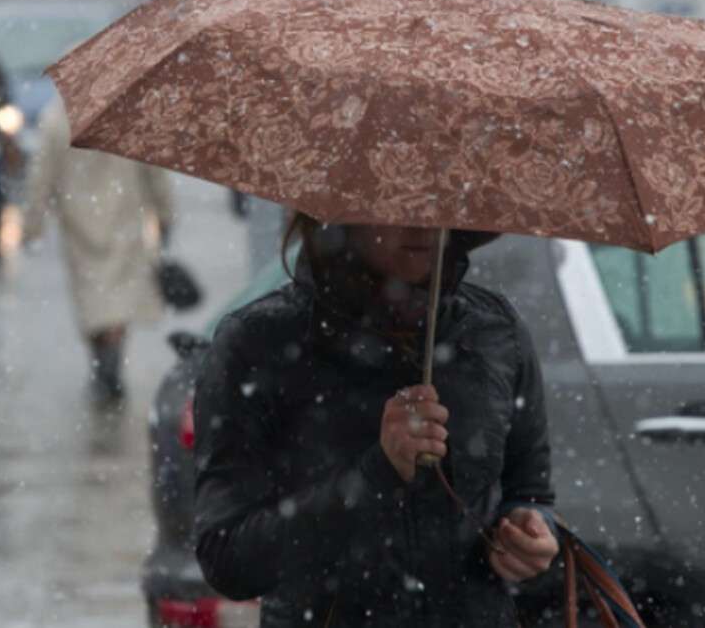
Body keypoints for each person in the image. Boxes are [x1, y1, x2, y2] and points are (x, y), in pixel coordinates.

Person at [194, 216, 559, 626]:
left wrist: (531, 532)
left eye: (436, 205)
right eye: (399, 209)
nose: (424, 226)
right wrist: (376, 474)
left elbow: (530, 492)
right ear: (340, 214)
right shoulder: (258, 343)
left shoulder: (495, 333)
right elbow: (227, 560)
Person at [24, 95, 173, 410]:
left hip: (79, 223)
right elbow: (153, 169)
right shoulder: (124, 115)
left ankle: (104, 365)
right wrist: (164, 212)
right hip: (122, 217)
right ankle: (110, 364)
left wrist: (33, 223)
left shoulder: (56, 119)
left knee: (94, 302)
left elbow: (41, 175)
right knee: (117, 300)